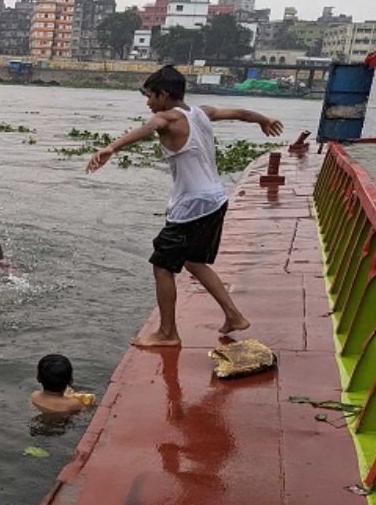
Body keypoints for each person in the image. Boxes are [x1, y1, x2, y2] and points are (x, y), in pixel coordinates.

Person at [86, 65, 283, 347]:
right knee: (193, 261)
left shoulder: (166, 118)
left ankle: (167, 333)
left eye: (150, 96)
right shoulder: (202, 112)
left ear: (164, 95)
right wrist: (263, 120)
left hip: (193, 205)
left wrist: (111, 148)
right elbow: (241, 113)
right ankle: (233, 316)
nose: (148, 103)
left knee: (162, 265)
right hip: (216, 199)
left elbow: (148, 127)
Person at [30, 354, 96, 414]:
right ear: (71, 381)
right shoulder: (74, 404)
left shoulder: (35, 396)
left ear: (38, 378)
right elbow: (88, 408)